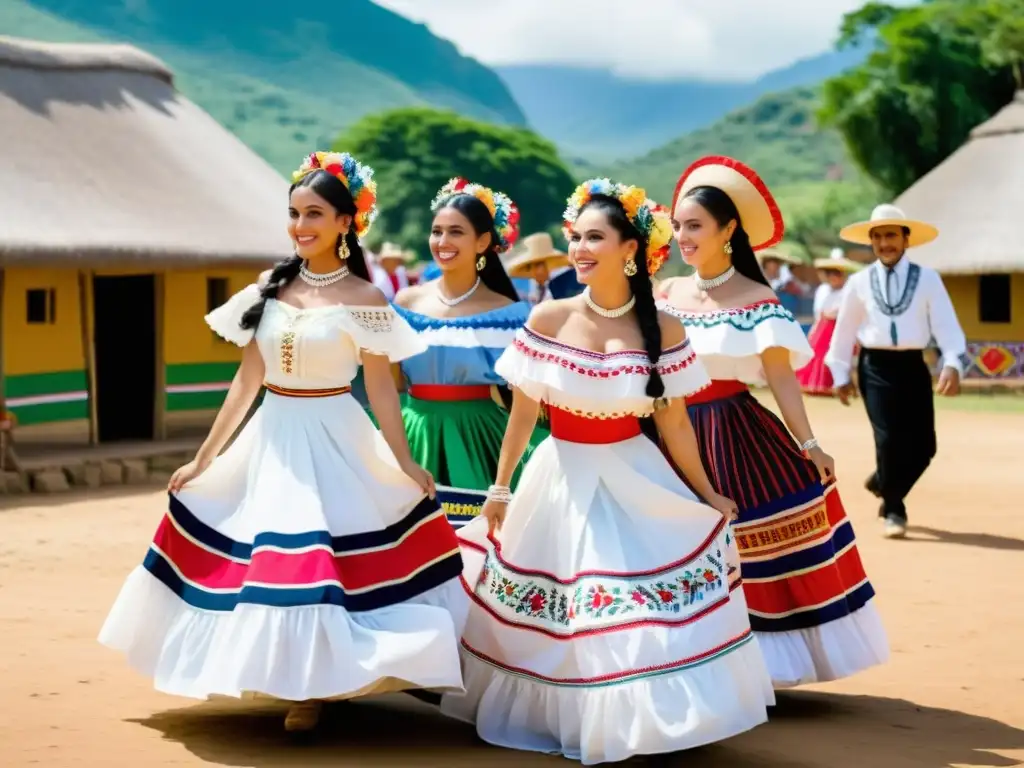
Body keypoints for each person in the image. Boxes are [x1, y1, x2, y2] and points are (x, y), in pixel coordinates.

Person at [98, 151, 466, 732]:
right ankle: (295, 682)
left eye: (315, 214)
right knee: (267, 561)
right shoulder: (268, 289)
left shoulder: (366, 299)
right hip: (271, 437)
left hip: (335, 436)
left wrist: (404, 462)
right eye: (294, 214)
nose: (301, 227)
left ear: (347, 222)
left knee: (318, 563)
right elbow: (247, 381)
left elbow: (382, 389)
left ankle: (313, 691)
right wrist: (204, 457)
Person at [440, 178, 774, 764]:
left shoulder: (664, 328)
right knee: (577, 614)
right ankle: (586, 719)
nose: (581, 249)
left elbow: (674, 426)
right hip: (560, 480)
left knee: (636, 608)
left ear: (630, 249)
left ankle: (651, 722)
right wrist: (499, 488)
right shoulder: (549, 317)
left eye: (595, 237)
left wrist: (708, 493)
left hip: (636, 477)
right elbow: (523, 414)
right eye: (577, 238)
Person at [657, 155, 888, 688]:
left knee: (745, 540)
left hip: (732, 432)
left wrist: (809, 443)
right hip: (666, 430)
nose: (683, 237)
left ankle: (749, 664)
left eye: (695, 226)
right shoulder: (666, 293)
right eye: (679, 226)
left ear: (729, 230)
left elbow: (781, 378)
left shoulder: (758, 300)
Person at [393, 178, 547, 527]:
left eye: (456, 232)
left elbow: (524, 399)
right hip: (413, 431)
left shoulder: (510, 314)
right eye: (437, 231)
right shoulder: (405, 304)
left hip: (480, 436)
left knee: (478, 543)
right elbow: (390, 384)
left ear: (483, 242)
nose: (442, 242)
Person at [826, 204, 966, 539]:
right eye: (878, 237)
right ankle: (893, 507)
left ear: (906, 239)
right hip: (875, 366)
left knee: (924, 447)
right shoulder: (858, 282)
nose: (885, 243)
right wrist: (840, 373)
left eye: (891, 235)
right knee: (887, 439)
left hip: (912, 366)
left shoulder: (929, 280)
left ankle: (882, 482)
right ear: (871, 242)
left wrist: (952, 361)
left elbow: (947, 326)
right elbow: (844, 331)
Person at [796, 247, 862, 395]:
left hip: (840, 326)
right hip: (823, 326)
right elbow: (818, 312)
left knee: (836, 354)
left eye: (837, 273)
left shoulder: (848, 291)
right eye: (830, 273)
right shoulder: (822, 290)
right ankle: (816, 384)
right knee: (817, 352)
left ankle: (838, 384)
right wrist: (814, 330)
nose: (833, 277)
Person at [503, 231, 569, 305]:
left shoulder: (563, 279)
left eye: (537, 265)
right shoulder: (534, 283)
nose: (533, 271)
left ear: (545, 264)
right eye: (530, 267)